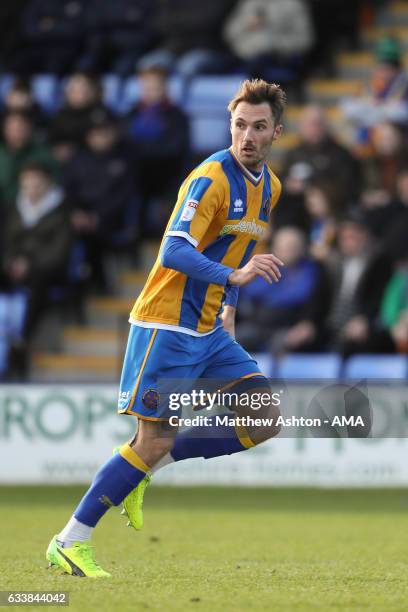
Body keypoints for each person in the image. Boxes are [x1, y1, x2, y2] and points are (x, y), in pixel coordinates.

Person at [46, 78, 286, 577]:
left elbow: (235, 251)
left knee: (262, 417)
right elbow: (173, 250)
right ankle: (71, 540)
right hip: (166, 324)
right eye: (239, 124)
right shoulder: (210, 178)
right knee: (149, 440)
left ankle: (146, 468)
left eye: (258, 127)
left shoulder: (271, 189)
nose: (247, 136)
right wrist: (233, 277)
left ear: (275, 134)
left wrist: (231, 303)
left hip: (210, 328)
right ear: (230, 126)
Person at [125, 66, 189, 237]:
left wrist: (138, 150)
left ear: (165, 88)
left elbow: (173, 149)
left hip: (167, 179)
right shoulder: (131, 114)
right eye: (147, 87)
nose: (151, 92)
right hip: (136, 177)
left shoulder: (177, 116)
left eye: (156, 87)